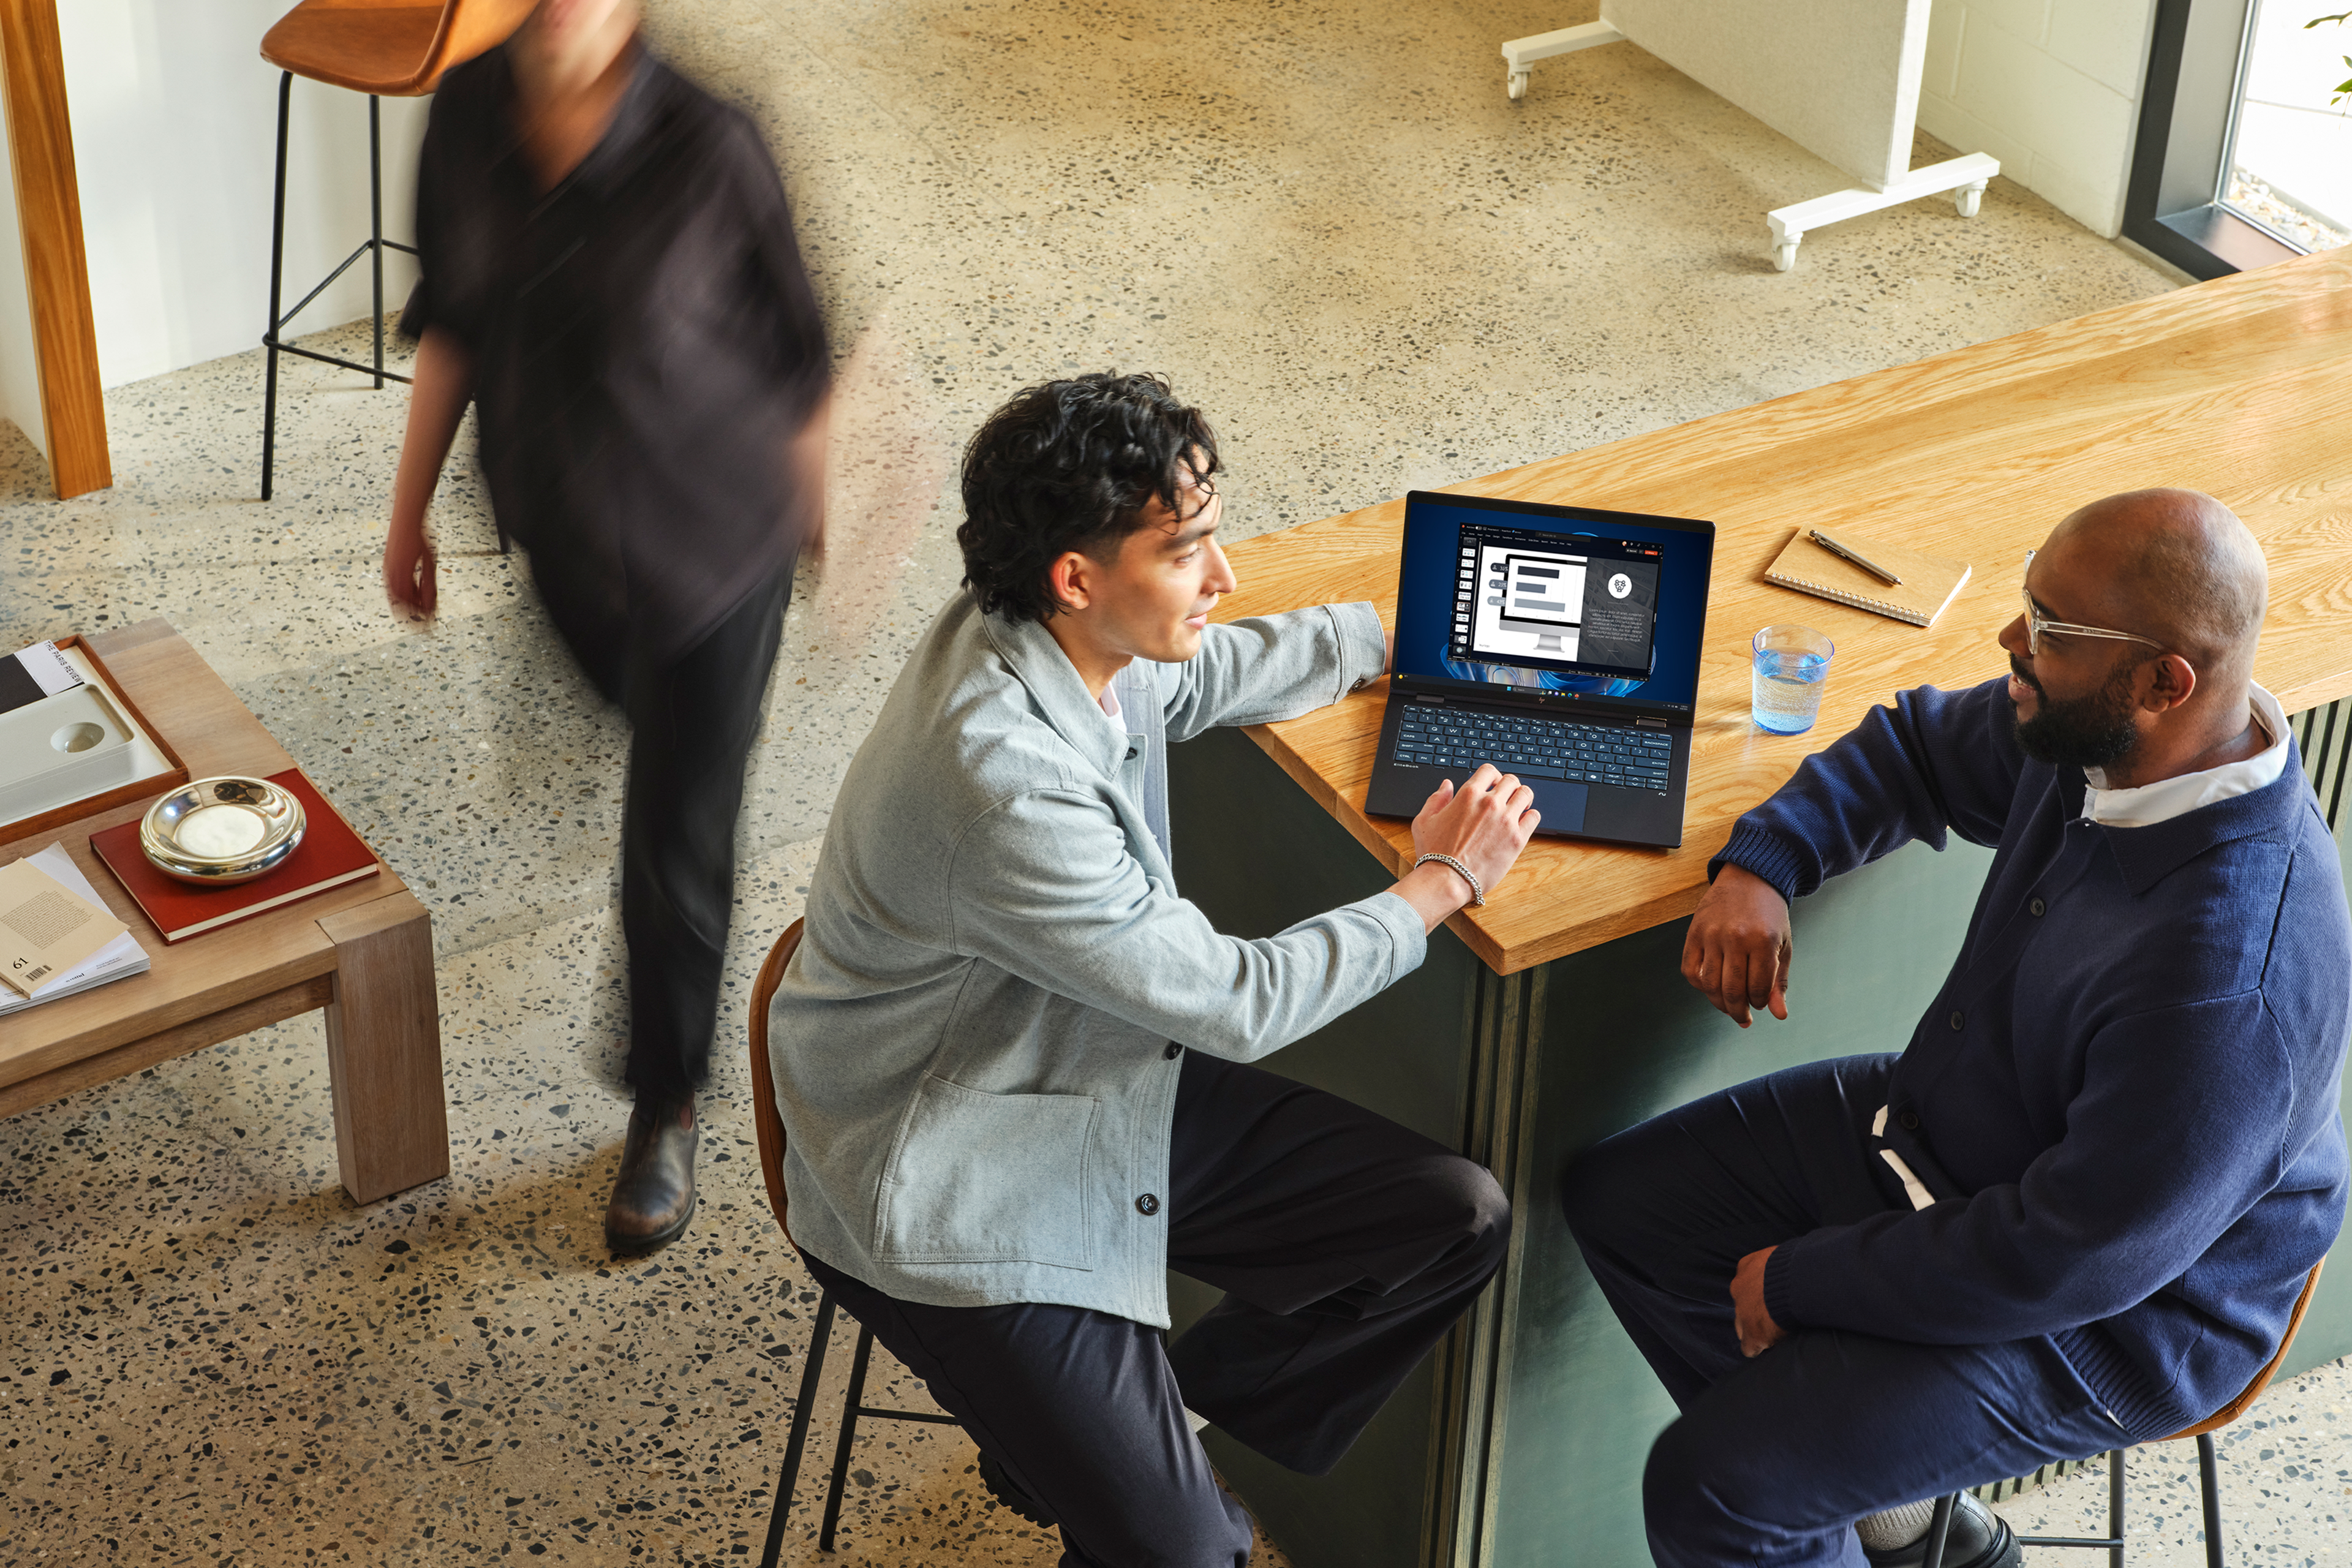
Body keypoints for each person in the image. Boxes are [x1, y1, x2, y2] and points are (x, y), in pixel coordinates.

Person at [766, 372, 1535, 1567]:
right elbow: (1236, 1000)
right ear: (1078, 575)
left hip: (1090, 1071)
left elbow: (1196, 674)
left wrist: (1391, 639)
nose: (1222, 578)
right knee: (1184, 1553)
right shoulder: (1000, 779)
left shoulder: (1045, 625)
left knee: (1452, 1220)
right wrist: (1442, 879)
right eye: (1188, 552)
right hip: (954, 1165)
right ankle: (1117, 1468)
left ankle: (1122, 1429)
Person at [1561, 489, 2351, 1568]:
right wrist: (1764, 865)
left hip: (2107, 1321)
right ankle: (1901, 1520)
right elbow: (1919, 750)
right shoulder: (2103, 737)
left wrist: (1803, 1281)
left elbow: (2068, 1258)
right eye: (2031, 598)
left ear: (2167, 680)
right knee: (1626, 1207)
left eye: (2054, 629)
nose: (2013, 641)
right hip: (1957, 1139)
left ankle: (1842, 1502)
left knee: (1719, 1490)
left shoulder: (2231, 978)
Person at [383, 0, 830, 1253]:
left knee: (675, 837)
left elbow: (800, 348)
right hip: (569, 547)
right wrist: (406, 511)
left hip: (715, 548)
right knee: (654, 779)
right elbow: (455, 322)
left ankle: (666, 1101)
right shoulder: (468, 116)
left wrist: (827, 512)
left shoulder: (713, 144)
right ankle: (667, 972)